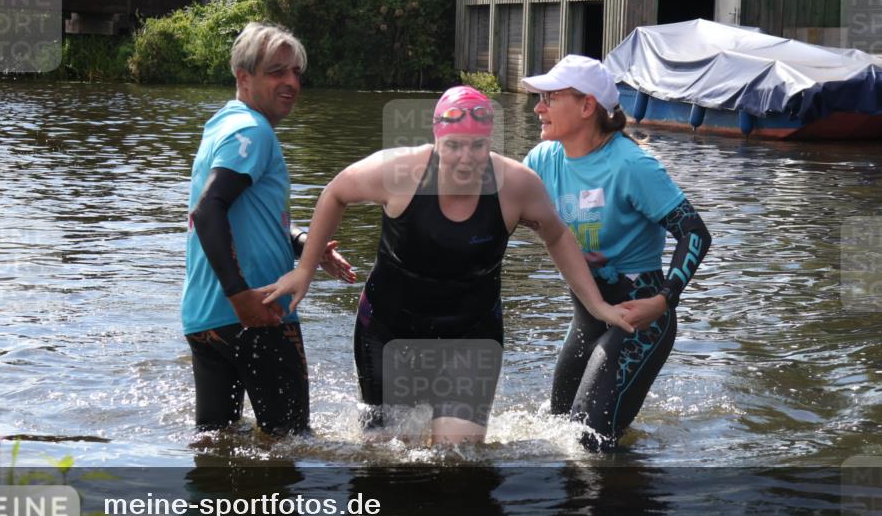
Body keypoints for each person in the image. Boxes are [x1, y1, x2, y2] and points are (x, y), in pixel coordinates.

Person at [260, 85, 633, 445]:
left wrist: (596, 305)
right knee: (390, 453)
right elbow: (335, 193)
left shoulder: (516, 185)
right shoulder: (399, 172)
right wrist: (306, 268)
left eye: (478, 146)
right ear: (436, 140)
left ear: (491, 144)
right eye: (453, 146)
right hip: (391, 330)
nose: (466, 158)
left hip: (472, 333)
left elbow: (557, 235)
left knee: (457, 457)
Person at [521, 54, 712, 451]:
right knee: (555, 431)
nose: (537, 107)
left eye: (549, 98)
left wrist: (663, 302)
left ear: (587, 105)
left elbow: (695, 233)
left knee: (586, 441)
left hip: (638, 323)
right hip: (588, 321)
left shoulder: (632, 167)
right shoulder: (541, 161)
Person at [181, 22, 354, 435]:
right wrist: (241, 296)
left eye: (296, 72)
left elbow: (248, 214)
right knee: (291, 446)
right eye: (277, 71)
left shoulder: (224, 124)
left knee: (216, 446)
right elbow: (207, 213)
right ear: (244, 77)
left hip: (204, 319)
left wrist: (303, 244)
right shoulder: (253, 132)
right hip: (259, 312)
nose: (291, 82)